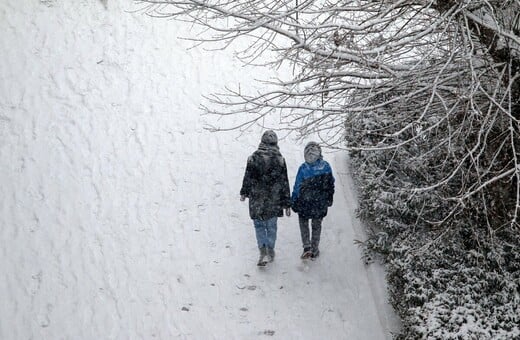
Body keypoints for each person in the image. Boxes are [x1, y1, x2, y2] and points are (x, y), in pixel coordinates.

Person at [240, 130, 291, 266]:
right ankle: (270, 249)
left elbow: (248, 177)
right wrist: (287, 202)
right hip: (273, 199)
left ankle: (262, 250)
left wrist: (244, 192)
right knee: (271, 226)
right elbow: (284, 181)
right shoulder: (280, 160)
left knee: (259, 225)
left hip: (257, 197)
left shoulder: (253, 158)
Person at [291, 141, 335, 259]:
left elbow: (297, 186)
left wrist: (294, 200)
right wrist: (329, 198)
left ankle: (307, 246)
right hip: (319, 203)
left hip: (304, 202)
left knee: (303, 223)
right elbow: (331, 184)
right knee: (317, 225)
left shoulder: (303, 168)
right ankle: (315, 249)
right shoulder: (326, 167)